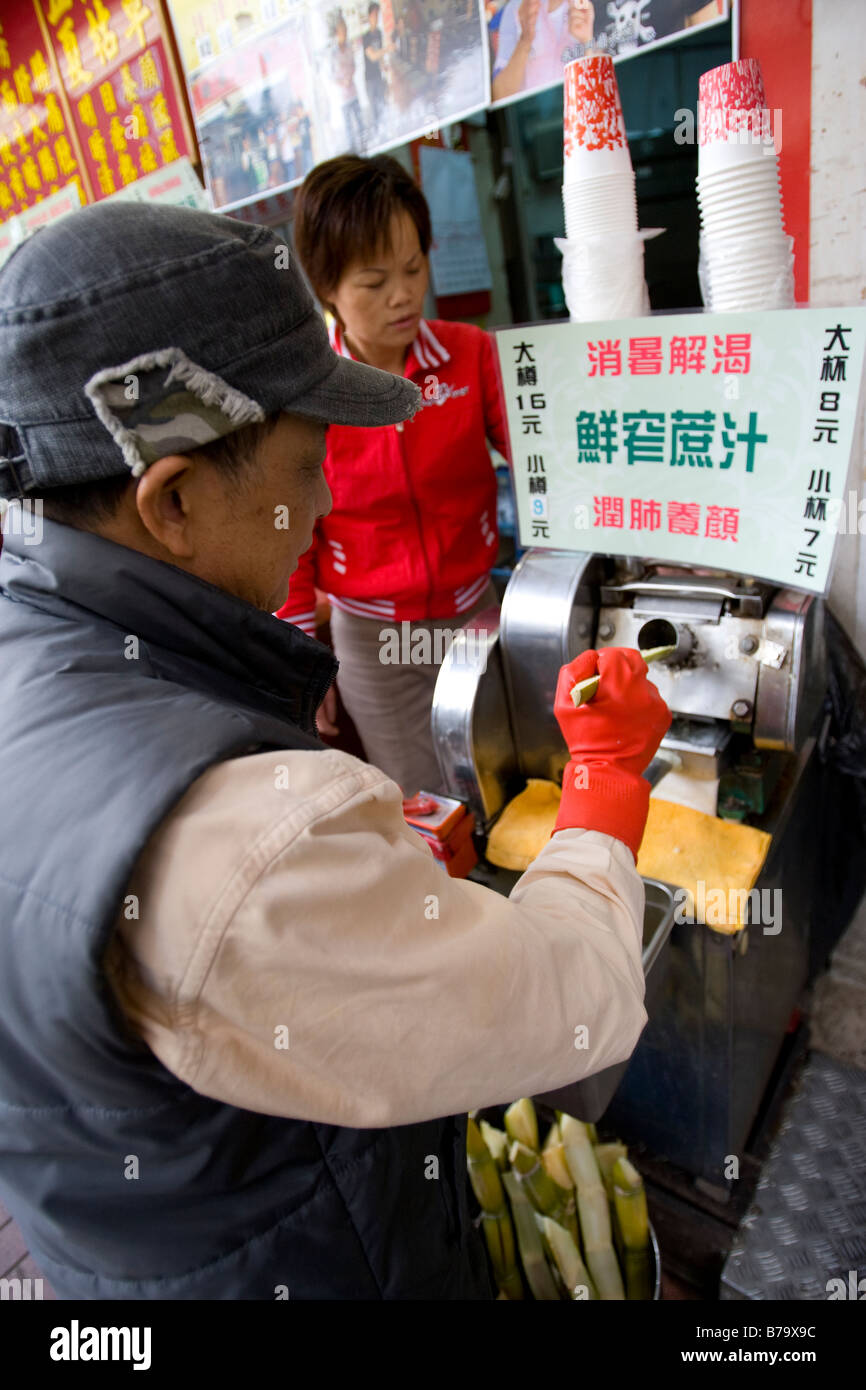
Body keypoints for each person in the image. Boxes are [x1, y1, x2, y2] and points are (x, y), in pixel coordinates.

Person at [0, 199, 670, 1299]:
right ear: (171, 500)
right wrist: (600, 783)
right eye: (308, 460)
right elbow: (571, 1000)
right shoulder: (235, 841)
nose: (320, 502)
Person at [276, 153, 504, 795]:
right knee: (427, 810)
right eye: (374, 282)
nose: (404, 295)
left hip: (474, 619)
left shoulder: (470, 356)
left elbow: (541, 463)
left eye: (414, 268)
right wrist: (302, 661)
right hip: (374, 645)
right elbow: (292, 539)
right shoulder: (311, 398)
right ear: (326, 287)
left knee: (503, 785)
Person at [492, 0, 595, 102]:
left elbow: (601, 82)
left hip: (579, 110)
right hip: (530, 114)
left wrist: (587, 41)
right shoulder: (517, 8)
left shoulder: (586, 6)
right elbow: (499, 95)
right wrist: (525, 39)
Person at [330, 13, 365, 152]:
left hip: (353, 92)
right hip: (342, 97)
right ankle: (354, 150)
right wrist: (342, 82)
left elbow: (354, 65)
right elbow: (331, 76)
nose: (344, 34)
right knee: (349, 128)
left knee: (360, 122)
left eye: (345, 30)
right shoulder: (333, 53)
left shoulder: (349, 48)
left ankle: (364, 145)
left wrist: (350, 76)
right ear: (337, 33)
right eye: (342, 31)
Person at [362, 3, 389, 137]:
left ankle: (385, 130)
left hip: (378, 75)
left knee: (383, 103)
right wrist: (387, 49)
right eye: (373, 15)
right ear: (369, 16)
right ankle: (378, 134)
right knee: (374, 110)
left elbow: (379, 55)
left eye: (377, 14)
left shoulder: (378, 33)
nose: (375, 17)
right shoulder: (366, 36)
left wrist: (384, 64)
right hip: (369, 78)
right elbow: (372, 56)